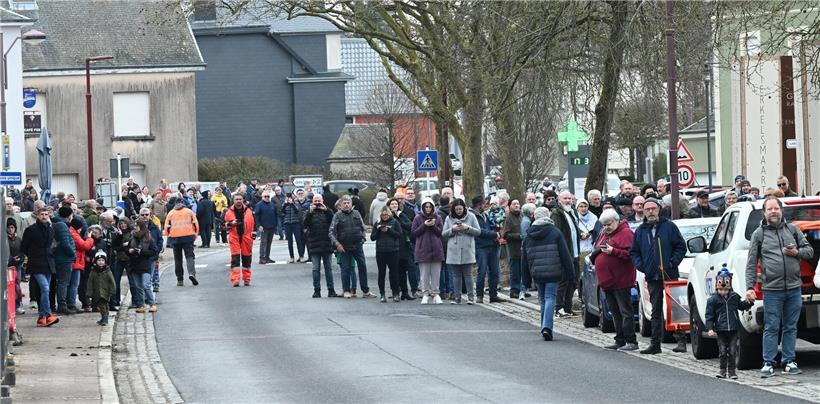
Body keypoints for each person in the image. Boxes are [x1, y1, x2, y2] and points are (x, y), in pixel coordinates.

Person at [745, 196, 813, 377]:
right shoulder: (758, 234)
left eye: (776, 208)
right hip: (772, 289)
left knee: (791, 326)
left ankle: (789, 361)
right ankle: (768, 362)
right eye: (770, 209)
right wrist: (750, 287)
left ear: (781, 211)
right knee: (771, 326)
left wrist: (796, 252)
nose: (773, 211)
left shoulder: (792, 230)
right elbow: (751, 263)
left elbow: (810, 251)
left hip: (793, 288)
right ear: (764, 212)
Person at [630, 198, 688, 354]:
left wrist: (672, 262)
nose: (650, 211)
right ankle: (655, 344)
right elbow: (634, 252)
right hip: (651, 276)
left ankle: (681, 340)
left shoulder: (669, 226)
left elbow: (681, 247)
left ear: (659, 209)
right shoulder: (641, 230)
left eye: (653, 208)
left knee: (675, 308)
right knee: (655, 309)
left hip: (669, 273)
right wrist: (642, 266)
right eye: (647, 209)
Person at [521, 207, 574, 341]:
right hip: (553, 270)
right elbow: (565, 255)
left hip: (537, 272)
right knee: (550, 297)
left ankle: (543, 326)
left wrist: (525, 280)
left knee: (543, 298)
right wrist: (571, 273)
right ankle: (547, 327)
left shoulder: (528, 235)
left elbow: (524, 260)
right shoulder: (555, 232)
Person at [592, 209, 638, 351]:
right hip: (607, 281)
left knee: (625, 311)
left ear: (617, 221)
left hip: (621, 279)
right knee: (614, 312)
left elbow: (631, 255)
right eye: (604, 225)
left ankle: (631, 340)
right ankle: (620, 339)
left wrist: (614, 251)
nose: (606, 227)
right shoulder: (604, 233)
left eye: (608, 224)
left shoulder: (626, 233)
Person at [705, 269, 753, 379]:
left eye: (725, 289)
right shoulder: (713, 300)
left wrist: (749, 302)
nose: (723, 292)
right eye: (720, 289)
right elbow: (709, 315)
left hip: (733, 328)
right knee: (722, 351)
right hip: (721, 330)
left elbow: (741, 306)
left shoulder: (734, 297)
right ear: (717, 287)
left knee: (732, 351)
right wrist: (710, 328)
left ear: (729, 287)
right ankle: (722, 370)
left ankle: (732, 371)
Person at [329, 195, 375, 298]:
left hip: (357, 245)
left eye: (348, 202)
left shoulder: (357, 213)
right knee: (345, 269)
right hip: (344, 247)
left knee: (362, 266)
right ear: (340, 205)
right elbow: (331, 232)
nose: (346, 205)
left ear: (351, 204)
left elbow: (363, 228)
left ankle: (365, 291)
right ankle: (346, 290)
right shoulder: (337, 216)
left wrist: (363, 239)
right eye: (344, 203)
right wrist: (337, 245)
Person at [21, 208, 60, 326]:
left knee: (46, 289)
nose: (44, 216)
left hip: (48, 263)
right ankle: (46, 315)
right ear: (37, 216)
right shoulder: (31, 230)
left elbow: (53, 244)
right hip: (36, 263)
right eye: (41, 214)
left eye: (46, 214)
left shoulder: (50, 229)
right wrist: (33, 255)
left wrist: (51, 253)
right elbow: (24, 247)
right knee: (45, 288)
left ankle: (42, 316)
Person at [442, 198, 480, 304]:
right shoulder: (448, 218)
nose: (459, 211)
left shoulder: (471, 217)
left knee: (468, 274)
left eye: (460, 209)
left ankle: (471, 297)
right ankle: (457, 297)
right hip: (453, 250)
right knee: (456, 275)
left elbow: (478, 231)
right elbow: (443, 234)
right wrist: (452, 229)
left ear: (464, 208)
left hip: (467, 249)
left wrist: (467, 228)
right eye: (457, 209)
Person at [552, 191, 580, 316]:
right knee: (563, 281)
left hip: (574, 252)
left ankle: (568, 307)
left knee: (573, 280)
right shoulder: (557, 213)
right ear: (559, 200)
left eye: (570, 198)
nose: (568, 200)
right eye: (565, 198)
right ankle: (559, 308)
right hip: (565, 253)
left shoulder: (572, 212)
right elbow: (557, 233)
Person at [412, 197, 444, 305]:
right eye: (426, 207)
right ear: (423, 207)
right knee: (424, 274)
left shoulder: (438, 218)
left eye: (430, 207)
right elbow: (414, 233)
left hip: (436, 249)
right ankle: (425, 293)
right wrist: (424, 225)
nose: (428, 209)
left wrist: (433, 225)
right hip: (423, 249)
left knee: (436, 274)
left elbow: (440, 233)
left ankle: (435, 293)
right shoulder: (417, 218)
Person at [470, 195, 502, 304]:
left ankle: (493, 295)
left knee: (494, 272)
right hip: (481, 246)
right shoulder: (472, 216)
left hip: (492, 245)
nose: (485, 205)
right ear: (479, 205)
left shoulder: (485, 214)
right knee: (482, 271)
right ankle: (479, 295)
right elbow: (479, 231)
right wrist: (494, 234)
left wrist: (497, 228)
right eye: (483, 204)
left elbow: (490, 226)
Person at [304, 194, 337, 298]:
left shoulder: (328, 210)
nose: (317, 203)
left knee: (328, 269)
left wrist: (326, 210)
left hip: (327, 244)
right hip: (314, 244)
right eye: (315, 201)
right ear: (312, 202)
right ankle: (317, 290)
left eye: (319, 201)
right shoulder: (308, 212)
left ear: (323, 200)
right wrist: (310, 212)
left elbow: (334, 222)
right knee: (315, 269)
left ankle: (331, 290)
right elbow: (304, 224)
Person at [371, 207, 403, 302]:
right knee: (381, 273)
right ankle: (382, 294)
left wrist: (389, 230)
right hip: (381, 251)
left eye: (386, 215)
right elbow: (373, 237)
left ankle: (395, 293)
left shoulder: (394, 222)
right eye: (383, 215)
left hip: (393, 251)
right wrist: (379, 230)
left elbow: (399, 235)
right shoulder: (377, 223)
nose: (384, 217)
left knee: (394, 273)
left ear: (389, 214)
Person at [165, 197, 199, 286]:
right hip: (188, 237)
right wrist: (195, 235)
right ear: (183, 203)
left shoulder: (171, 213)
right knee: (189, 256)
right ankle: (192, 274)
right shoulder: (189, 211)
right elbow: (195, 224)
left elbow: (167, 227)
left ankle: (180, 280)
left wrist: (169, 237)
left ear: (175, 204)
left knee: (178, 259)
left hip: (175, 238)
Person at [225, 193, 255, 287]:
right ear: (233, 200)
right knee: (235, 259)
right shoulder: (229, 212)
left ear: (243, 200)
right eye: (237, 199)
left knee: (247, 259)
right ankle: (235, 280)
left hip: (246, 238)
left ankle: (247, 279)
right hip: (234, 237)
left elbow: (254, 223)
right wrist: (231, 223)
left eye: (240, 199)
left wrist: (254, 233)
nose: (238, 201)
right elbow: (222, 224)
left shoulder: (248, 211)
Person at [129, 220, 158, 312]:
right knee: (137, 286)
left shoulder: (148, 238)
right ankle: (141, 305)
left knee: (146, 285)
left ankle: (152, 303)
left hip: (145, 265)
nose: (134, 228)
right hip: (134, 265)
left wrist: (142, 252)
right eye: (134, 226)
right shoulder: (132, 237)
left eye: (136, 226)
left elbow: (154, 251)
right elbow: (127, 250)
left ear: (140, 227)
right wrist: (129, 250)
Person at [52, 206, 77, 315]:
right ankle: (62, 306)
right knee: (63, 283)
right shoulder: (62, 225)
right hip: (64, 259)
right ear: (68, 215)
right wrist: (73, 254)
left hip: (61, 258)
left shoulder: (58, 224)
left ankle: (63, 305)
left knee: (63, 282)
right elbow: (66, 243)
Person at [68, 218, 94, 314]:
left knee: (72, 285)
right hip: (76, 263)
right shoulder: (74, 234)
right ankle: (71, 304)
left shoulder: (72, 232)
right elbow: (84, 246)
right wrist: (90, 238)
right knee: (74, 285)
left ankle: (70, 303)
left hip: (75, 262)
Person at [504, 200, 525, 299]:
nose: (517, 205)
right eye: (514, 204)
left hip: (523, 248)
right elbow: (506, 235)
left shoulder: (522, 216)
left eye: (518, 203)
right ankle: (514, 290)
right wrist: (519, 236)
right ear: (510, 206)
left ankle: (522, 289)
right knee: (515, 271)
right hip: (514, 249)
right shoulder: (508, 218)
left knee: (522, 270)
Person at [89, 251, 116, 325]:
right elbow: (90, 282)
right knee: (102, 305)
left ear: (105, 261)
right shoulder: (93, 271)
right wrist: (89, 292)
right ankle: (104, 317)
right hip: (97, 292)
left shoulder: (108, 271)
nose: (101, 262)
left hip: (106, 292)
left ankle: (105, 319)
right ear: (95, 261)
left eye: (102, 260)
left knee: (103, 305)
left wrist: (112, 290)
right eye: (99, 260)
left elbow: (112, 282)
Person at [254, 190, 278, 264]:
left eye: (268, 196)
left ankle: (267, 257)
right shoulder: (259, 205)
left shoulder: (272, 204)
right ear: (262, 197)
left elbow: (275, 215)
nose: (267, 197)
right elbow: (256, 216)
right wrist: (258, 225)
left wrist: (275, 225)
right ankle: (262, 258)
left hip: (272, 226)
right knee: (263, 243)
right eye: (265, 196)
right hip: (263, 227)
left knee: (269, 243)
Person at [282, 193, 306, 263]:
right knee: (290, 242)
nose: (289, 198)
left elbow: (297, 211)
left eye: (290, 197)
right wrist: (286, 204)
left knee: (298, 241)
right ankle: (292, 257)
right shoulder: (284, 204)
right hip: (287, 224)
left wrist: (292, 204)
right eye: (288, 197)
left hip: (296, 224)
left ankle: (301, 256)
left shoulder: (296, 203)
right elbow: (282, 212)